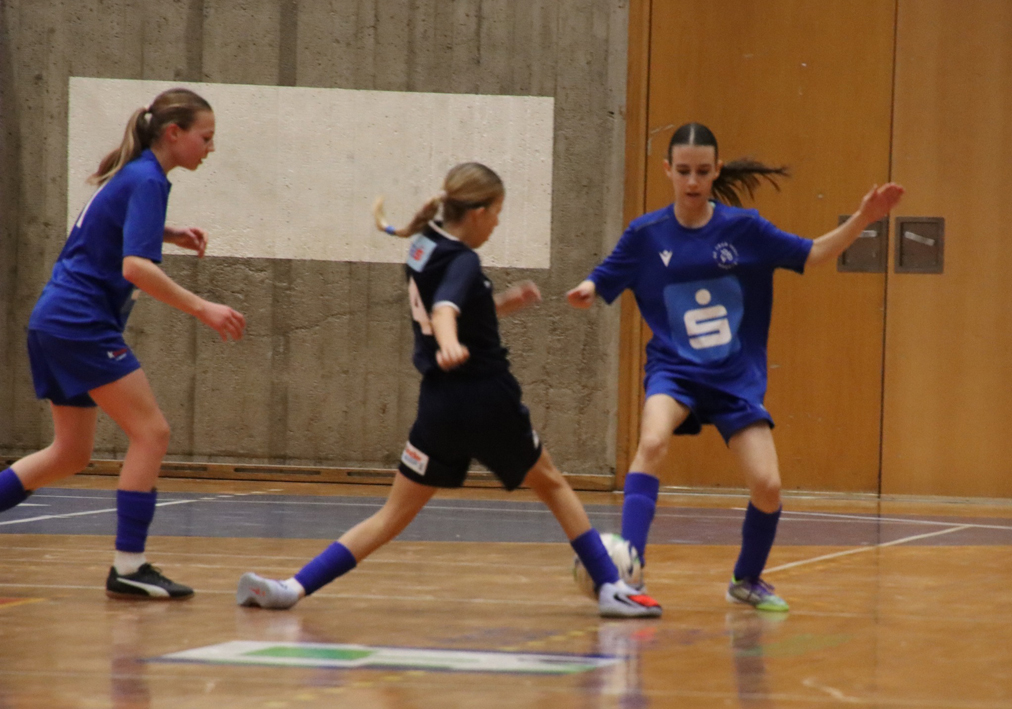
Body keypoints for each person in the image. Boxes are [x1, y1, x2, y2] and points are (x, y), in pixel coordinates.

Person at [236, 162, 661, 618]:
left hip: (439, 407)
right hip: (487, 400)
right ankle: (612, 586)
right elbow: (443, 310)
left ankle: (291, 588)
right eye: (497, 213)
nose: (496, 224)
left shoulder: (422, 246)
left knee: (391, 515)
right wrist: (450, 341)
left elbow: (453, 304)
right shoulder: (463, 259)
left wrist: (499, 304)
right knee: (552, 484)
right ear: (477, 212)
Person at [567, 123, 904, 611]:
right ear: (667, 170)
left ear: (716, 171)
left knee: (767, 486)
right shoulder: (645, 235)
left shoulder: (745, 229)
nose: (692, 181)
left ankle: (746, 579)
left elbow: (813, 253)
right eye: (683, 171)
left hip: (734, 378)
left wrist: (863, 218)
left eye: (703, 171)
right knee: (653, 442)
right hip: (675, 370)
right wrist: (589, 289)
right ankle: (629, 573)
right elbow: (603, 275)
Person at [0, 88, 246, 600]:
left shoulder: (137, 174)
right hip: (79, 323)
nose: (211, 148)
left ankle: (130, 566)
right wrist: (203, 307)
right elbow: (135, 267)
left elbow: (109, 231)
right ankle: (129, 566)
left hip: (55, 320)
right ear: (174, 133)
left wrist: (168, 233)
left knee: (69, 453)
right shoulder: (148, 178)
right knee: (152, 433)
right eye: (206, 137)